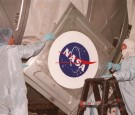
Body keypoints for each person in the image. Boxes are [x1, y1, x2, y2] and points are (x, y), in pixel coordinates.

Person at [0, 28, 55, 115]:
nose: (13, 40)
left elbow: (5, 70)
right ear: (6, 39)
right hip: (15, 95)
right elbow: (32, 49)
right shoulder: (12, 49)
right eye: (12, 37)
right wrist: (44, 40)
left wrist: (17, 67)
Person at [102, 38, 135, 115]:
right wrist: (114, 66)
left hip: (131, 94)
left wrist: (115, 75)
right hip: (123, 92)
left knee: (130, 111)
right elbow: (123, 67)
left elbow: (130, 74)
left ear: (130, 47)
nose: (122, 48)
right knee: (120, 110)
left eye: (124, 45)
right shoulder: (127, 59)